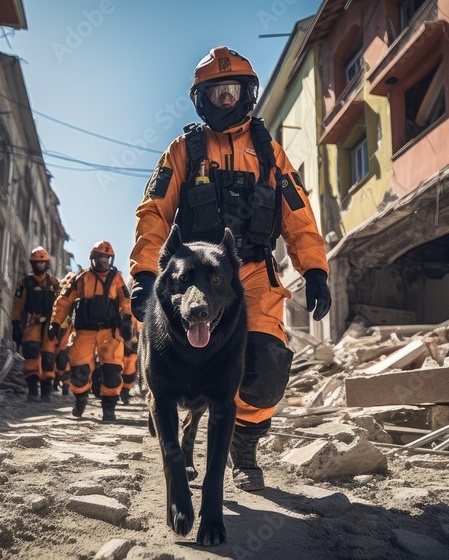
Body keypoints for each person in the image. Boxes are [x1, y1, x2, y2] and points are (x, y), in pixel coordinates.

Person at [129, 46, 332, 491]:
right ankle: (172, 437)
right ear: (202, 98)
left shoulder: (270, 153)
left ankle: (244, 449)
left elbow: (298, 213)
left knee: (266, 365)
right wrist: (144, 274)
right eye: (217, 92)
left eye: (232, 91)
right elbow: (154, 213)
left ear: (246, 94)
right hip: (192, 278)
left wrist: (315, 268)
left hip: (253, 273)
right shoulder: (183, 151)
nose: (225, 100)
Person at [50, 241, 133, 421]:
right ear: (93, 259)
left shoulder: (116, 278)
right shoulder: (81, 278)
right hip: (84, 332)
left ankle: (109, 409)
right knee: (79, 372)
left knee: (112, 372)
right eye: (101, 258)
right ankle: (80, 399)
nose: (104, 262)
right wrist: (55, 323)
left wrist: (127, 321)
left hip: (109, 332)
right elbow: (64, 301)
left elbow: (126, 300)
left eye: (107, 258)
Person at [11, 247, 61, 402]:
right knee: (31, 353)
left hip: (49, 323)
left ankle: (46, 391)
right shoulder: (24, 282)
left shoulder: (53, 283)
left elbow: (61, 305)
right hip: (31, 322)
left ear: (46, 264)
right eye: (37, 263)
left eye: (42, 263)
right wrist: (15, 324)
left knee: (47, 356)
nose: (40, 266)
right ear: (33, 264)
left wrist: (59, 325)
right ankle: (33, 390)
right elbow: (18, 304)